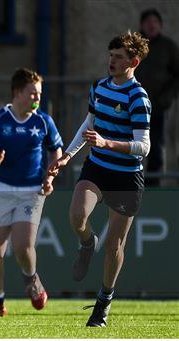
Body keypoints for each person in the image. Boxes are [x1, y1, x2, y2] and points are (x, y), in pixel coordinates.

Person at [48, 31, 151, 327]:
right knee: (76, 215)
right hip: (97, 167)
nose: (111, 61)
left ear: (132, 61)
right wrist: (67, 156)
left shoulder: (138, 98)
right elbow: (88, 125)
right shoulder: (100, 87)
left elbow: (143, 147)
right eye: (110, 55)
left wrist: (107, 143)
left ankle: (103, 304)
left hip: (126, 176)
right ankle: (86, 242)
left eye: (118, 57)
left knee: (115, 247)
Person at [0, 68, 63, 317]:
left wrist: (50, 176)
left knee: (22, 247)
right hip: (0, 189)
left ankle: (32, 279)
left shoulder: (43, 120)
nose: (37, 98)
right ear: (17, 92)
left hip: (31, 190)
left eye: (39, 94)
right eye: (32, 93)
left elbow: (57, 152)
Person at [136, 8, 179, 187]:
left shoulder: (168, 47)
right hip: (135, 107)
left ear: (160, 25)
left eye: (155, 21)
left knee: (155, 148)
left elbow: (177, 75)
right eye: (148, 22)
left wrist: (166, 98)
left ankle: (153, 185)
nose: (151, 25)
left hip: (158, 107)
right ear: (142, 25)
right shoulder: (134, 46)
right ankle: (131, 183)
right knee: (132, 146)